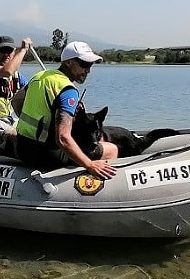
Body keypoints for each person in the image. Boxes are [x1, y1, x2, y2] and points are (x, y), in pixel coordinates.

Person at [14, 41, 118, 179]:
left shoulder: (40, 77)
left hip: (22, 148)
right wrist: (89, 165)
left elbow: (15, 101)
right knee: (111, 149)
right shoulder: (68, 91)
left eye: (90, 65)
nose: (88, 70)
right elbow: (62, 138)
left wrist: (37, 126)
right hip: (48, 155)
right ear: (68, 63)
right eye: (84, 64)